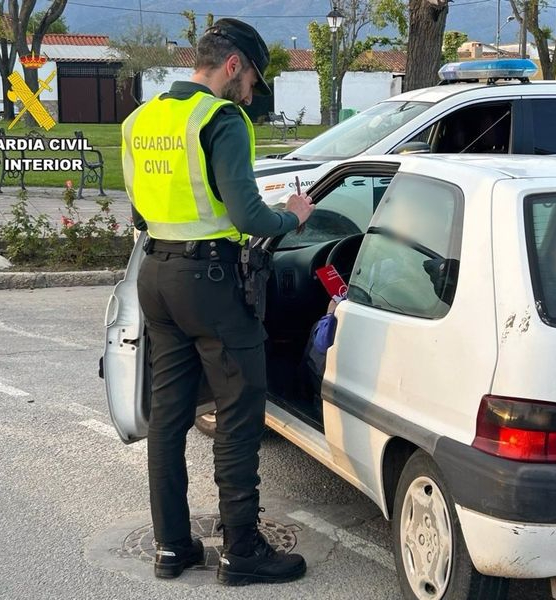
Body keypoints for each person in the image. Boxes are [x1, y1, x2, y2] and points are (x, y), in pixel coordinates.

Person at [121, 18, 314, 586]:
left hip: (155, 275)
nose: (251, 91)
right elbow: (249, 217)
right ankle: (242, 551)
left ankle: (172, 547)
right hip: (210, 282)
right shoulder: (220, 118)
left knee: (170, 417)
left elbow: (139, 210)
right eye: (252, 77)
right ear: (233, 66)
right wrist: (292, 215)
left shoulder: (141, 119)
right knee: (237, 410)